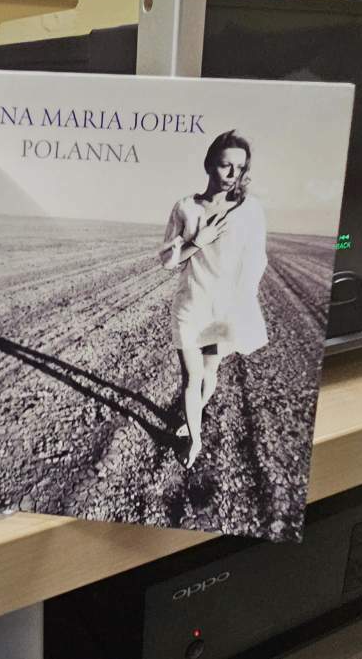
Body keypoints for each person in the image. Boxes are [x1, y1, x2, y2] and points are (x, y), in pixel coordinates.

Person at [158, 130, 269, 469]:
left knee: (210, 371)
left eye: (240, 167)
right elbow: (168, 260)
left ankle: (195, 414)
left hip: (225, 309)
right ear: (209, 165)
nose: (233, 173)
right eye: (225, 165)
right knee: (191, 378)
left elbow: (257, 259)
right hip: (191, 304)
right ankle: (195, 439)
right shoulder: (186, 207)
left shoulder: (250, 210)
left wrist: (243, 303)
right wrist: (198, 241)